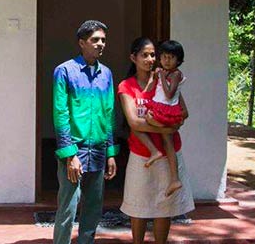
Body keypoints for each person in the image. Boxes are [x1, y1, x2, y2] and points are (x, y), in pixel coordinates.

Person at [118, 37, 194, 244]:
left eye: (153, 55)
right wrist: (164, 127)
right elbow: (134, 122)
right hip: (141, 154)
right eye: (145, 55)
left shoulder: (165, 79)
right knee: (138, 205)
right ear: (133, 57)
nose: (150, 59)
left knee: (164, 207)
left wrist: (170, 124)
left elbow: (182, 111)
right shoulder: (127, 86)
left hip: (169, 153)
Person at [52, 20, 119, 244]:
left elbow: (109, 114)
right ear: (82, 43)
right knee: (68, 208)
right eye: (95, 40)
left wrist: (111, 153)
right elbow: (61, 114)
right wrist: (70, 154)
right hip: (75, 150)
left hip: (98, 150)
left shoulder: (106, 74)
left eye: (103, 40)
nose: (100, 44)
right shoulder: (65, 71)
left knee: (93, 208)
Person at [140, 40, 187, 197]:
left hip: (167, 111)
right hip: (160, 107)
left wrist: (161, 75)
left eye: (171, 57)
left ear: (178, 61)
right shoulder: (164, 73)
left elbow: (169, 94)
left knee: (148, 119)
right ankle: (174, 178)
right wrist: (155, 79)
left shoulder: (175, 74)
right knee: (168, 143)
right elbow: (153, 89)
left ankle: (173, 176)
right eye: (164, 57)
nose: (167, 61)